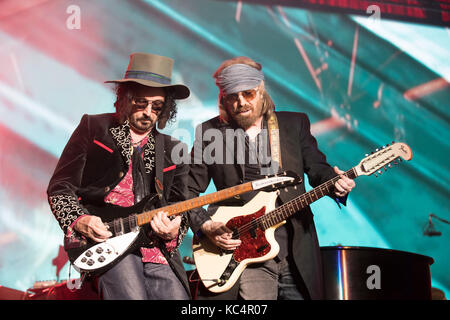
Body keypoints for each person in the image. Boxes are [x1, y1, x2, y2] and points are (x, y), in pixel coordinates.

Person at [187, 56, 355, 300]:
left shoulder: (293, 124)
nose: (241, 102)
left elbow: (318, 168)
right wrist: (206, 225)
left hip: (295, 248)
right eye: (232, 96)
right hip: (246, 253)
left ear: (261, 90)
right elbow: (186, 190)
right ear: (223, 98)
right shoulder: (210, 133)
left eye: (248, 94)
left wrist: (336, 183)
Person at [47, 52, 192, 300]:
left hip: (155, 248)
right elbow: (60, 187)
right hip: (105, 240)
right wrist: (80, 221)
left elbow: (181, 206)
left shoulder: (173, 149)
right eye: (141, 103)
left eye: (156, 106)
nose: (148, 112)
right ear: (125, 98)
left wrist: (174, 231)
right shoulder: (94, 127)